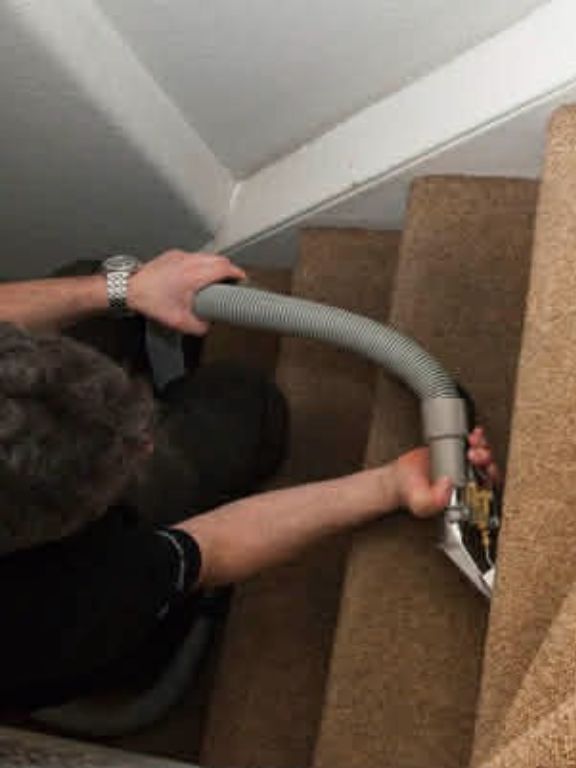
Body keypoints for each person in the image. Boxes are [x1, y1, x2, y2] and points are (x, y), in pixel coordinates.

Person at [0, 249, 499, 711]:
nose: (145, 442)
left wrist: (124, 289)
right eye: (127, 453)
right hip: (81, 634)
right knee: (242, 403)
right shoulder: (62, 604)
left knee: (88, 275)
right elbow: (213, 546)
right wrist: (389, 485)